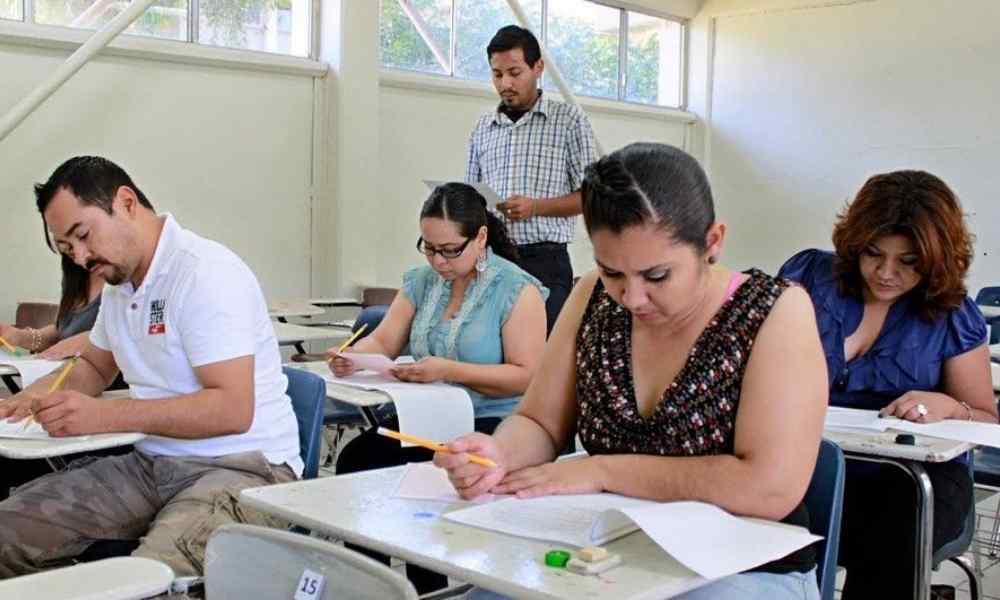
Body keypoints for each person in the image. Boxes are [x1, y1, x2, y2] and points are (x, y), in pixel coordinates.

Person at [436, 143, 828, 600]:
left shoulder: (775, 311)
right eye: (612, 272)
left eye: (657, 276)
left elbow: (769, 488)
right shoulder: (592, 296)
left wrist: (603, 471)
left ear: (713, 242)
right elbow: (540, 422)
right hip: (608, 555)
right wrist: (498, 455)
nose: (632, 298)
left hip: (741, 569)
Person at [0, 156, 301, 578]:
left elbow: (232, 409)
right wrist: (31, 399)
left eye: (83, 235)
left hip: (243, 467)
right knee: (6, 532)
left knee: (149, 583)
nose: (81, 257)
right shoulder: (120, 286)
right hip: (153, 464)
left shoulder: (204, 272)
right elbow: (93, 366)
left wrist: (103, 415)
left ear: (126, 202)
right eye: (67, 248)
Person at [778, 170, 998, 599]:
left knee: (894, 531)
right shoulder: (810, 278)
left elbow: (987, 420)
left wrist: (950, 407)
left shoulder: (951, 314)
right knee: (757, 518)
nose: (885, 272)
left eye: (908, 261)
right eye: (873, 254)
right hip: (808, 463)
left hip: (913, 479)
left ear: (936, 258)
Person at [331, 182, 547, 593]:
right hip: (427, 417)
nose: (438, 261)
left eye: (449, 250)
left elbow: (527, 375)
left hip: (491, 423)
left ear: (480, 237)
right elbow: (384, 341)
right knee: (356, 462)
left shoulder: (517, 290)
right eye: (428, 248)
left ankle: (429, 586)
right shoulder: (421, 281)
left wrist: (449, 369)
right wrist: (354, 355)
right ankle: (371, 585)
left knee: (433, 478)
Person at [466, 25, 599, 333]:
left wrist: (535, 207)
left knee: (542, 349)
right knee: (490, 348)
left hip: (545, 261)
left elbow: (591, 196)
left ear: (538, 67)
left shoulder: (569, 121)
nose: (506, 83)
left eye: (515, 72)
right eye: (497, 74)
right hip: (492, 260)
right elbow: (471, 195)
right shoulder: (483, 128)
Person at [0, 255, 123, 502]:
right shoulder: (76, 278)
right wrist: (21, 337)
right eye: (64, 245)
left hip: (102, 392)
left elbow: (111, 343)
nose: (77, 251)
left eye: (81, 237)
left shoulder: (121, 281)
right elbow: (61, 329)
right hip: (62, 380)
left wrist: (91, 340)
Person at [0, 255, 104, 360]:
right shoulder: (74, 272)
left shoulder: (112, 282)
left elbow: (107, 340)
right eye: (64, 248)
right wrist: (18, 336)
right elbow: (62, 332)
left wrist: (83, 342)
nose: (77, 253)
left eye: (82, 237)